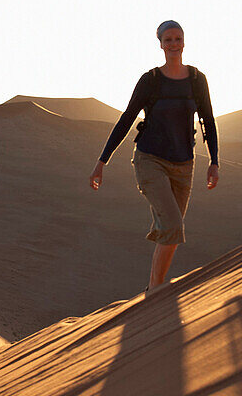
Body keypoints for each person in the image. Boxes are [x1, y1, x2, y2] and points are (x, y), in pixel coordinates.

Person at [89, 20, 219, 293]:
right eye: (168, 40)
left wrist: (214, 161)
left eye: (178, 39)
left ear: (184, 42)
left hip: (184, 162)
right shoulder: (151, 80)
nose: (173, 44)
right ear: (160, 44)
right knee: (172, 224)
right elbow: (126, 119)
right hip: (150, 160)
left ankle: (152, 289)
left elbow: (207, 119)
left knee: (171, 231)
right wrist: (103, 161)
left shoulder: (197, 80)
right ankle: (157, 291)